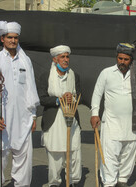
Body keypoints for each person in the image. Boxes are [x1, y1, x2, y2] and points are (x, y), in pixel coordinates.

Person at [0, 21, 40, 187]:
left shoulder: (25, 61)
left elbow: (31, 88)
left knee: (23, 156)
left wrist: (34, 115)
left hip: (23, 117)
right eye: (9, 37)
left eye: (15, 38)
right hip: (2, 118)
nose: (13, 41)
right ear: (2, 39)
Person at [91, 43, 136, 187]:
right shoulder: (106, 73)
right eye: (120, 58)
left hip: (131, 123)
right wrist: (94, 114)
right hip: (111, 122)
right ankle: (109, 182)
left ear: (130, 60)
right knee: (110, 154)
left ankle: (122, 179)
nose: (122, 62)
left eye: (125, 59)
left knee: (128, 153)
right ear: (116, 57)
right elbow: (97, 94)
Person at [38, 45, 82, 187]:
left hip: (71, 119)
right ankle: (55, 183)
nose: (65, 59)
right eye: (62, 57)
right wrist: (58, 99)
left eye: (67, 56)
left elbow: (79, 96)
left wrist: (72, 98)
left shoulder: (74, 75)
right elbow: (42, 98)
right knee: (55, 154)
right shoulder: (46, 76)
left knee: (74, 152)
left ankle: (73, 181)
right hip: (54, 120)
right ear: (55, 59)